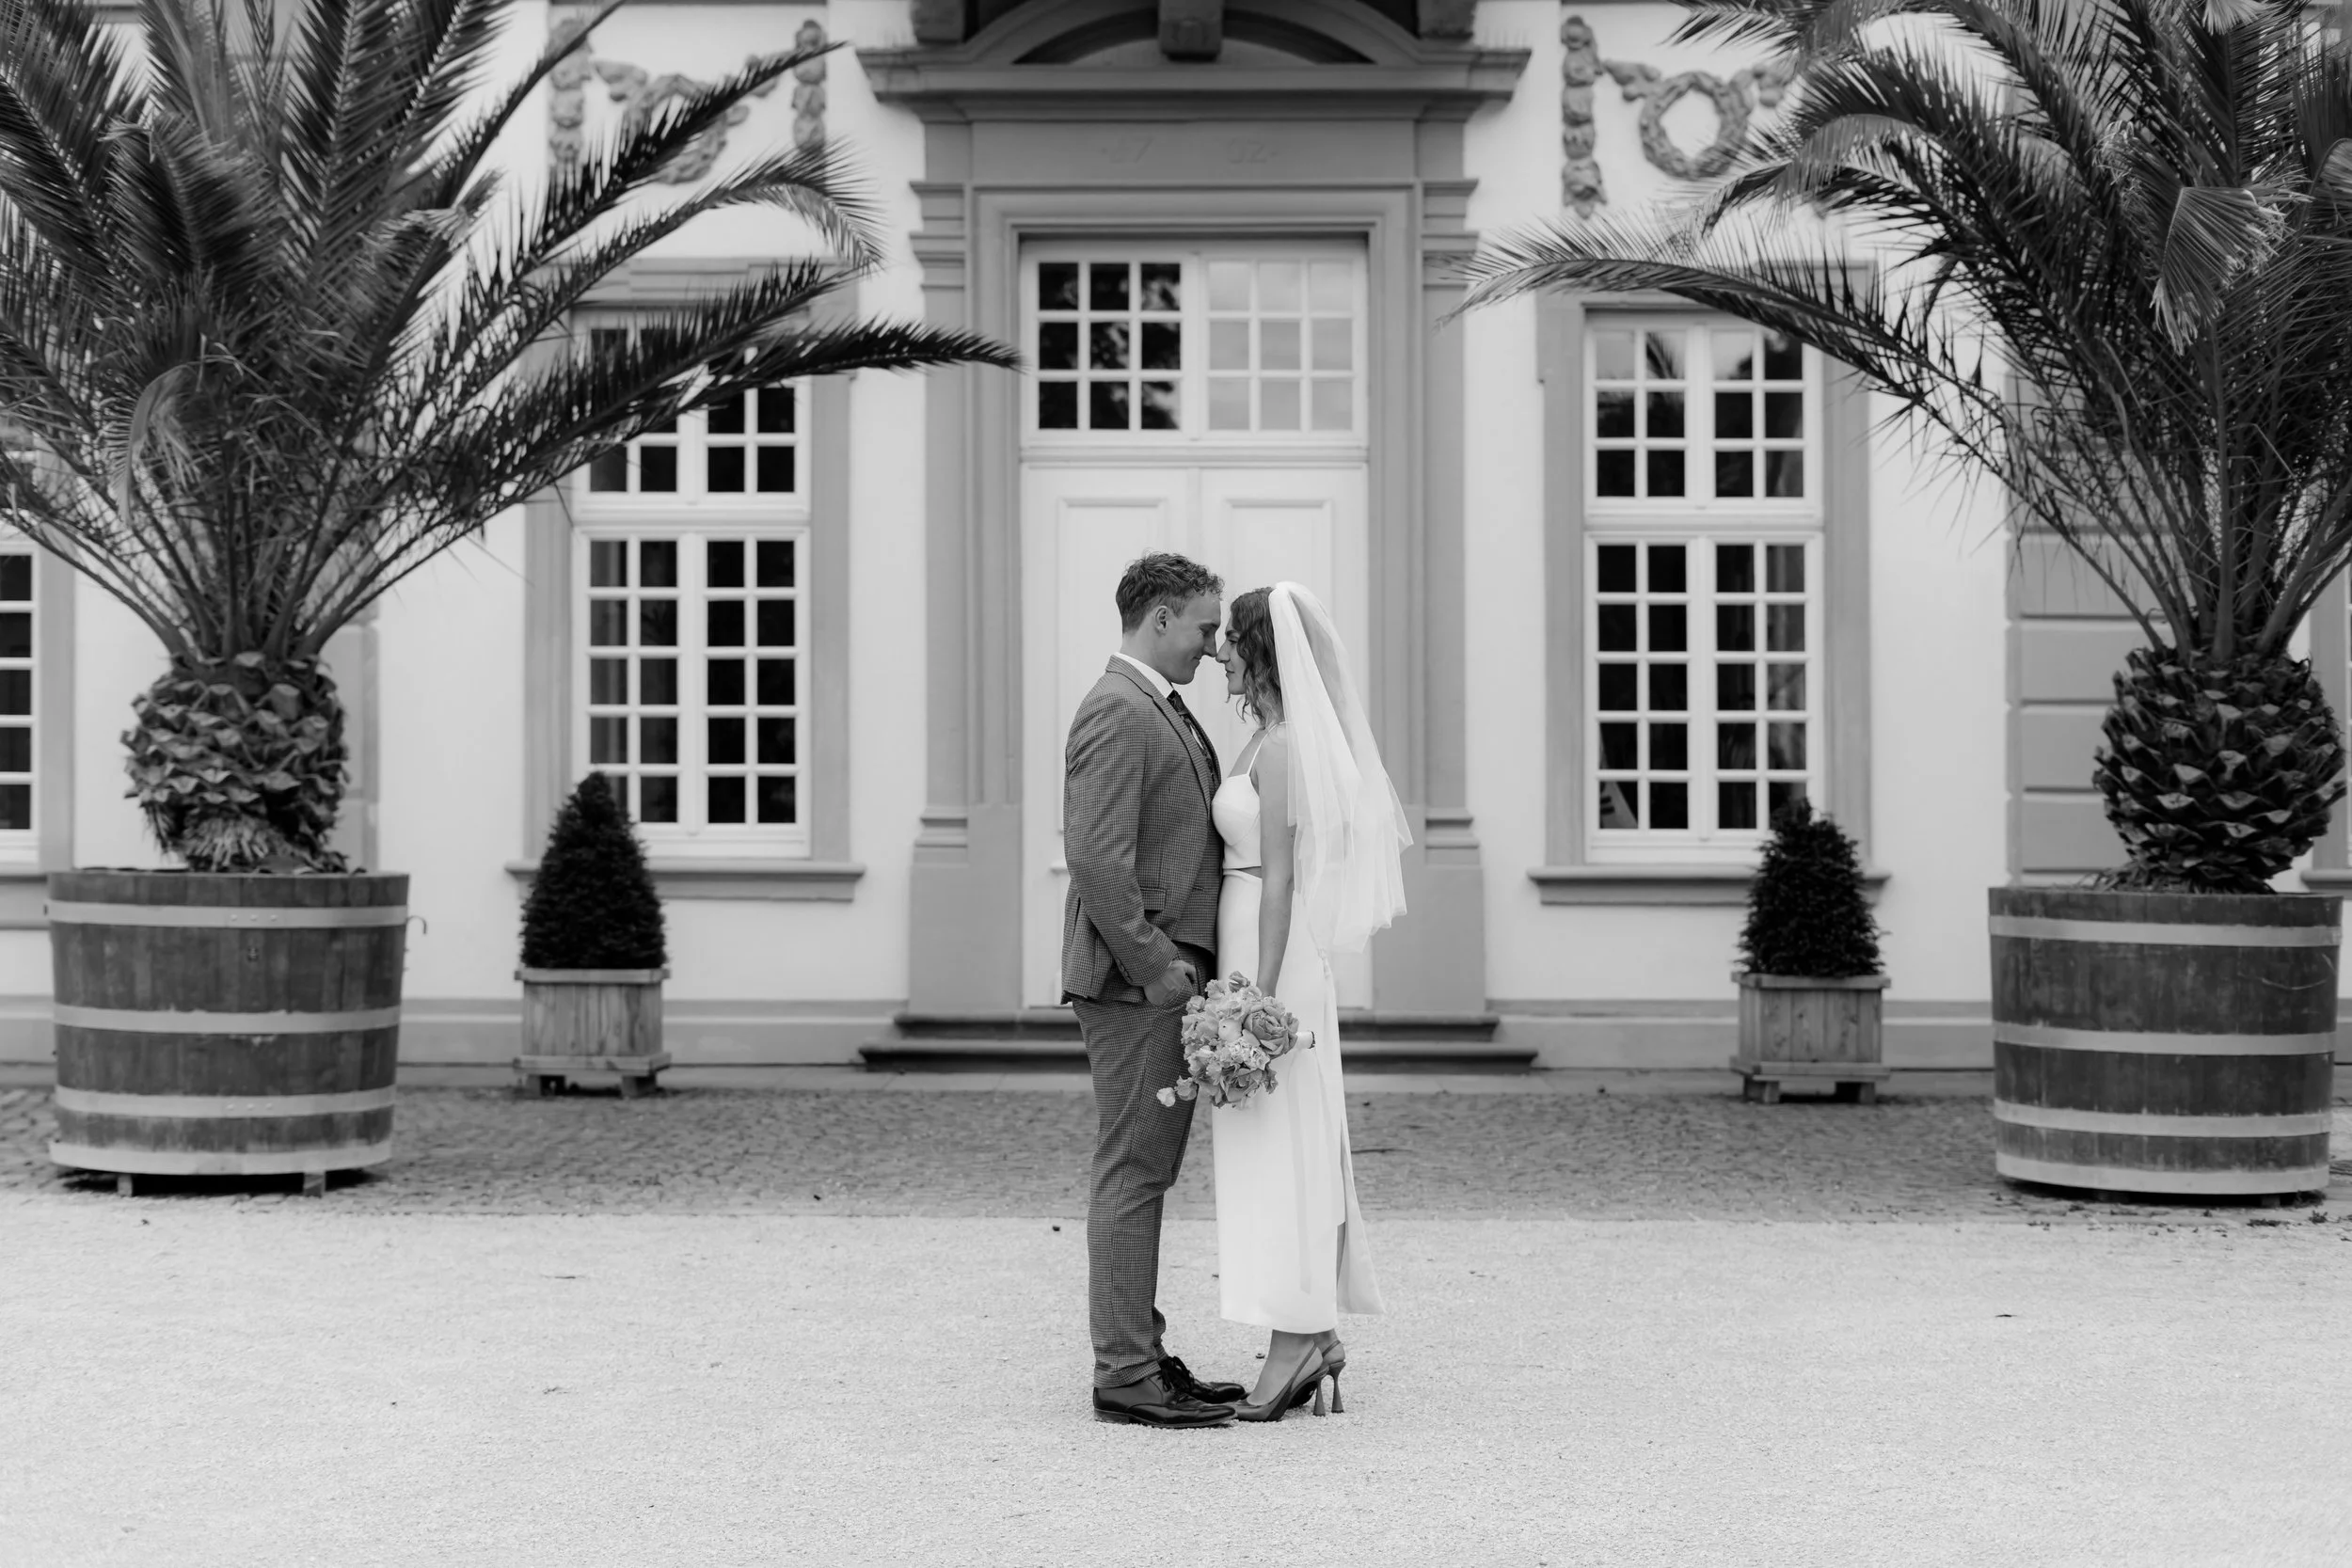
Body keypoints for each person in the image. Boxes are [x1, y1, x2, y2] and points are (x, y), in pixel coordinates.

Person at [1060, 552, 1251, 1429]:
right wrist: (1156, 966)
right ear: (1162, 617)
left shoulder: (1158, 708)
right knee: (1133, 1171)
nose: (1214, 648)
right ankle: (1124, 1372)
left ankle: (1141, 1352)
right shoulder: (1117, 707)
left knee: (1148, 1169)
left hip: (1164, 978)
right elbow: (1097, 859)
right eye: (1206, 628)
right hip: (1139, 984)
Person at [1208, 582, 1404, 1421]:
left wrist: (1253, 995)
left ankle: (1294, 1341)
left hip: (1272, 959)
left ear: (1260, 650)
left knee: (1287, 1148)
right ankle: (1312, 1335)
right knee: (1264, 1145)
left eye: (1229, 640)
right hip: (1245, 941)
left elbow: (1282, 883)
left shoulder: (1285, 749)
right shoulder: (1259, 740)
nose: (1218, 651)